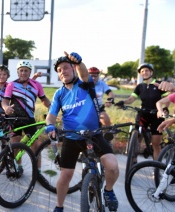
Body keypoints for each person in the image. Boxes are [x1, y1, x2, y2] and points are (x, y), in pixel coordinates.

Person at [45, 52, 119, 212]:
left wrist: (79, 62)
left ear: (73, 69)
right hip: (71, 138)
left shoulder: (85, 84)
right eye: (59, 70)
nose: (63, 71)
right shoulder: (59, 94)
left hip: (94, 135)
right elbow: (51, 116)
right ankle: (59, 207)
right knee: (65, 176)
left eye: (66, 67)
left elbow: (84, 74)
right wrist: (50, 125)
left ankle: (108, 191)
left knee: (112, 166)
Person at [1, 60, 51, 174]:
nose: (23, 73)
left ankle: (37, 171)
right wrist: (5, 107)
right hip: (14, 119)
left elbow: (44, 99)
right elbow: (5, 100)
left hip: (29, 119)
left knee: (36, 145)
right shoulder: (12, 85)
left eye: (26, 71)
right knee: (15, 145)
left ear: (29, 72)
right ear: (18, 72)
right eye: (21, 71)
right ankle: (18, 166)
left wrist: (52, 107)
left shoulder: (36, 85)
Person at [115, 63, 170, 160]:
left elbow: (167, 98)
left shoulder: (158, 84)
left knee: (156, 143)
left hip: (156, 115)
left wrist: (165, 108)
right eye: (142, 71)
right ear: (140, 74)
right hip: (143, 114)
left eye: (147, 70)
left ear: (151, 72)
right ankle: (133, 160)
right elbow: (131, 99)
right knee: (136, 137)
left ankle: (156, 167)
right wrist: (123, 102)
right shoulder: (140, 86)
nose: (145, 72)